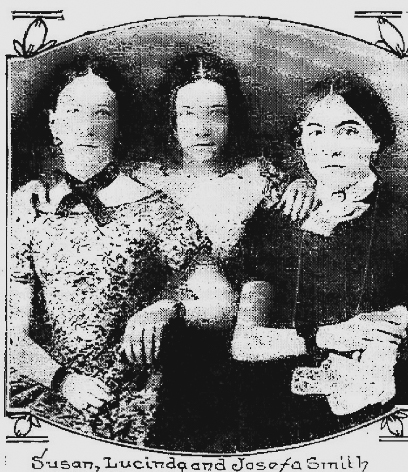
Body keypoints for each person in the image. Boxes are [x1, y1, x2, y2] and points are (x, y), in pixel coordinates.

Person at [9, 56, 211, 446]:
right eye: (72, 111)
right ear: (53, 122)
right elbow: (10, 330)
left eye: (102, 113)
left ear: (118, 125)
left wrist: (168, 307)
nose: (86, 126)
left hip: (130, 397)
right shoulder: (27, 205)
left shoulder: (154, 207)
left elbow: (223, 302)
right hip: (44, 384)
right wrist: (62, 381)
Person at [224, 72, 408, 450]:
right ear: (302, 144)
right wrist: (324, 335)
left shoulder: (401, 218)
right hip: (278, 415)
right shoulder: (275, 220)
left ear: (376, 140)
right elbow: (245, 343)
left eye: (349, 131)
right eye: (316, 132)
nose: (330, 148)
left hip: (380, 421)